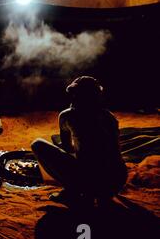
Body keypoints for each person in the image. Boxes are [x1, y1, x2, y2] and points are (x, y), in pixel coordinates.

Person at [31, 76, 127, 206]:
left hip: (90, 181)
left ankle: (72, 191)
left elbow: (67, 148)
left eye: (76, 94)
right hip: (116, 181)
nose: (73, 97)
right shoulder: (109, 117)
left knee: (37, 144)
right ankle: (99, 194)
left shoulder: (68, 116)